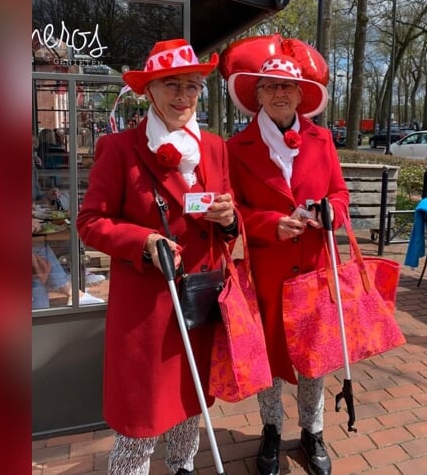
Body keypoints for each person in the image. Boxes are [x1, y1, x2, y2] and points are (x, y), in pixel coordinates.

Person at [76, 38, 238, 475]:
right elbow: (90, 221)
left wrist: (228, 218)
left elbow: (228, 214)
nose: (183, 96)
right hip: (146, 310)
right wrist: (143, 242)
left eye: (191, 86)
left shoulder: (216, 147)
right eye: (172, 85)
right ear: (150, 91)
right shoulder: (119, 148)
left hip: (198, 302)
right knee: (141, 420)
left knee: (191, 402)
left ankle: (183, 467)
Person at [224, 52, 350, 475]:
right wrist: (267, 225)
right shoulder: (235, 148)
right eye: (270, 86)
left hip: (315, 266)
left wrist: (329, 211)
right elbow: (233, 209)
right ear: (257, 95)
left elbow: (339, 194)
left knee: (314, 353)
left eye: (288, 86)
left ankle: (313, 430)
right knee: (271, 355)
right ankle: (272, 428)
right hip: (268, 272)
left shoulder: (323, 139)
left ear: (301, 94)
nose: (280, 93)